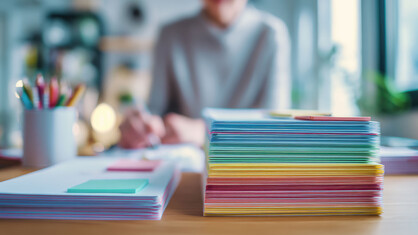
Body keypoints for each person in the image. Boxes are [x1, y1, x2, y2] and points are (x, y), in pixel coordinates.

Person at [118, 0, 291, 149]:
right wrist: (140, 127)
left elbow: (274, 128)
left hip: (246, 169)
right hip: (182, 171)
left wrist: (204, 131)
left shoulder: (271, 34)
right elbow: (155, 113)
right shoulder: (170, 34)